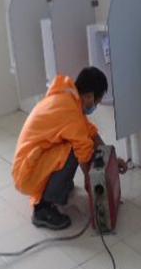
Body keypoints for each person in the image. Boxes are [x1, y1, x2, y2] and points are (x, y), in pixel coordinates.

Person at [12, 66, 128, 230]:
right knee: (74, 149)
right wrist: (97, 190)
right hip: (28, 173)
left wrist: (112, 160)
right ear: (89, 96)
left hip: (30, 164)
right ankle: (43, 208)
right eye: (97, 102)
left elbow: (90, 133)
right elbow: (84, 154)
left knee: (78, 143)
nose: (96, 106)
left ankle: (56, 188)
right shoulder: (70, 111)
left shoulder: (68, 99)